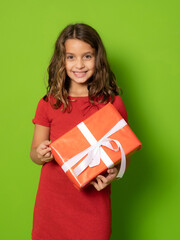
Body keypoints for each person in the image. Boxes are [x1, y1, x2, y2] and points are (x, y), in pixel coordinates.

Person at [30, 23, 131, 240]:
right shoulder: (48, 103)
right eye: (71, 57)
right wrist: (40, 153)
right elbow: (34, 154)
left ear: (98, 59)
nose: (79, 64)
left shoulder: (112, 104)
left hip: (93, 203)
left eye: (87, 56)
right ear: (61, 60)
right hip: (52, 203)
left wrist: (114, 172)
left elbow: (124, 153)